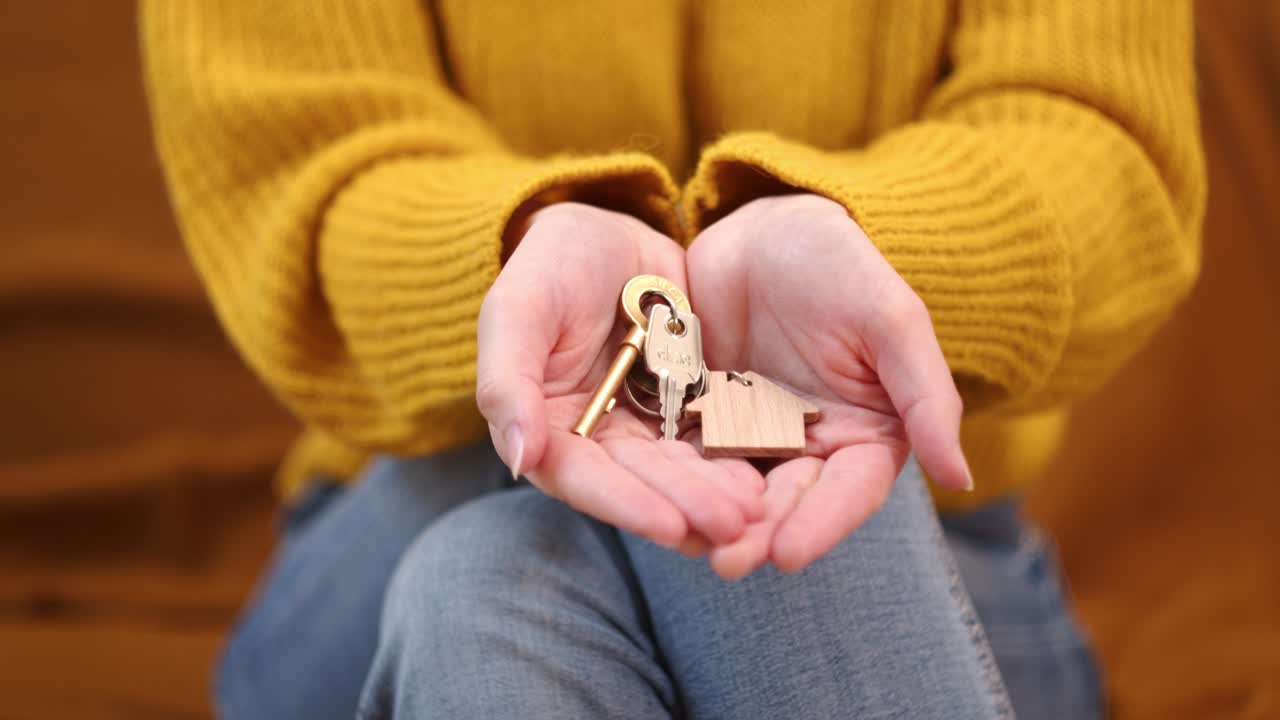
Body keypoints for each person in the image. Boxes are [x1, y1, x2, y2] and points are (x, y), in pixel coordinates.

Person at [141, 1, 1204, 718]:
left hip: (937, 552)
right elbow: (298, 170)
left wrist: (866, 259)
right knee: (764, 467)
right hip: (401, 502)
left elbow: (1102, 133)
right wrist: (523, 259)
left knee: (481, 596)